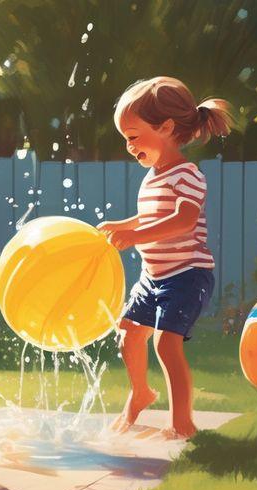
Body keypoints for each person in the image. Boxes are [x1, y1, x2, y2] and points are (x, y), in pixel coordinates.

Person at [97, 76, 234, 439]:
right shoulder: (154, 177)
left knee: (165, 343)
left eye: (133, 136)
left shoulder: (188, 175)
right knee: (128, 333)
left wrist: (135, 235)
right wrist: (124, 225)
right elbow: (152, 217)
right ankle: (141, 392)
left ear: (167, 127)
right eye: (126, 138)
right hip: (153, 275)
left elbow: (184, 220)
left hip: (187, 275)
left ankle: (182, 424)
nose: (129, 146)